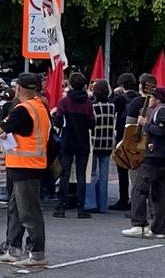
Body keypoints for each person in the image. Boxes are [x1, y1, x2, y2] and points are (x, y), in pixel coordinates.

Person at [0, 73, 49, 267]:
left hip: (24, 166)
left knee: (28, 213)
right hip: (30, 165)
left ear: (18, 89)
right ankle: (14, 249)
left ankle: (37, 254)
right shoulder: (39, 106)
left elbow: (0, 129)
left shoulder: (22, 109)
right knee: (17, 210)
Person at [122, 87, 165, 238]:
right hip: (164, 158)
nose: (148, 100)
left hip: (154, 157)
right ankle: (159, 229)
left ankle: (139, 224)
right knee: (160, 193)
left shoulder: (162, 111)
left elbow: (160, 131)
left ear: (158, 99)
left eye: (151, 97)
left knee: (139, 189)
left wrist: (145, 124)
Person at [53, 73, 95, 219]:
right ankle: (81, 208)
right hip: (83, 141)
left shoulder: (64, 102)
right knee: (81, 175)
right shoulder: (88, 103)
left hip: (67, 140)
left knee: (64, 174)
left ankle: (61, 206)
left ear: (70, 84)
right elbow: (91, 124)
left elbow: (58, 123)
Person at [84, 80, 115, 213]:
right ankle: (103, 205)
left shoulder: (92, 106)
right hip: (107, 143)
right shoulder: (112, 106)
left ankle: (90, 203)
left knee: (91, 174)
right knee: (104, 176)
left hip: (94, 142)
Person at [110, 73, 139, 211]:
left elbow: (111, 109)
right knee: (135, 168)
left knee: (122, 169)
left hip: (122, 135)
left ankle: (123, 199)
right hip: (136, 136)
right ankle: (136, 198)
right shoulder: (139, 98)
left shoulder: (120, 99)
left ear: (121, 85)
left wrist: (114, 95)